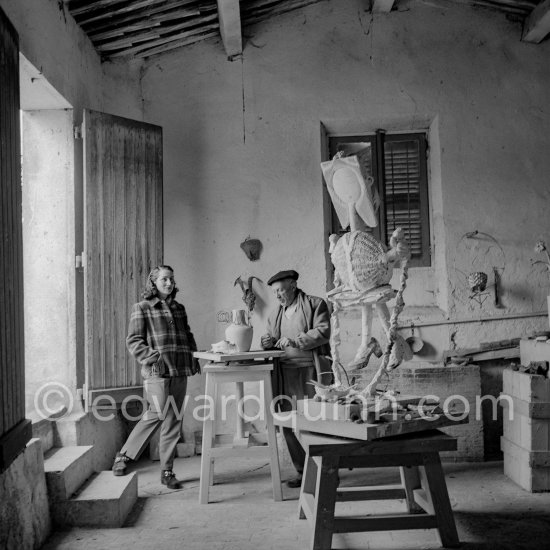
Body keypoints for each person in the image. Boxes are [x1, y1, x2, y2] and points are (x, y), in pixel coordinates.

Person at [112, 265, 200, 489]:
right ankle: (124, 455)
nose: (169, 283)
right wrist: (152, 356)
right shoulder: (142, 308)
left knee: (174, 419)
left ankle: (167, 471)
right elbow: (133, 340)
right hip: (156, 372)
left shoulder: (179, 308)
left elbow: (187, 335)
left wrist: (193, 357)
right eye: (164, 280)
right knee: (157, 413)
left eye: (171, 279)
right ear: (153, 282)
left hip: (179, 370)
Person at [260, 269, 331, 488]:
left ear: (292, 285)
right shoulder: (276, 314)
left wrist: (295, 341)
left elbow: (323, 331)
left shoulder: (315, 304)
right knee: (287, 423)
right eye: (275, 292)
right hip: (285, 373)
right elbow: (271, 339)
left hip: (311, 371)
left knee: (316, 421)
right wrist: (267, 342)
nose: (278, 295)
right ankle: (302, 471)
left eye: (281, 290)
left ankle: (326, 470)